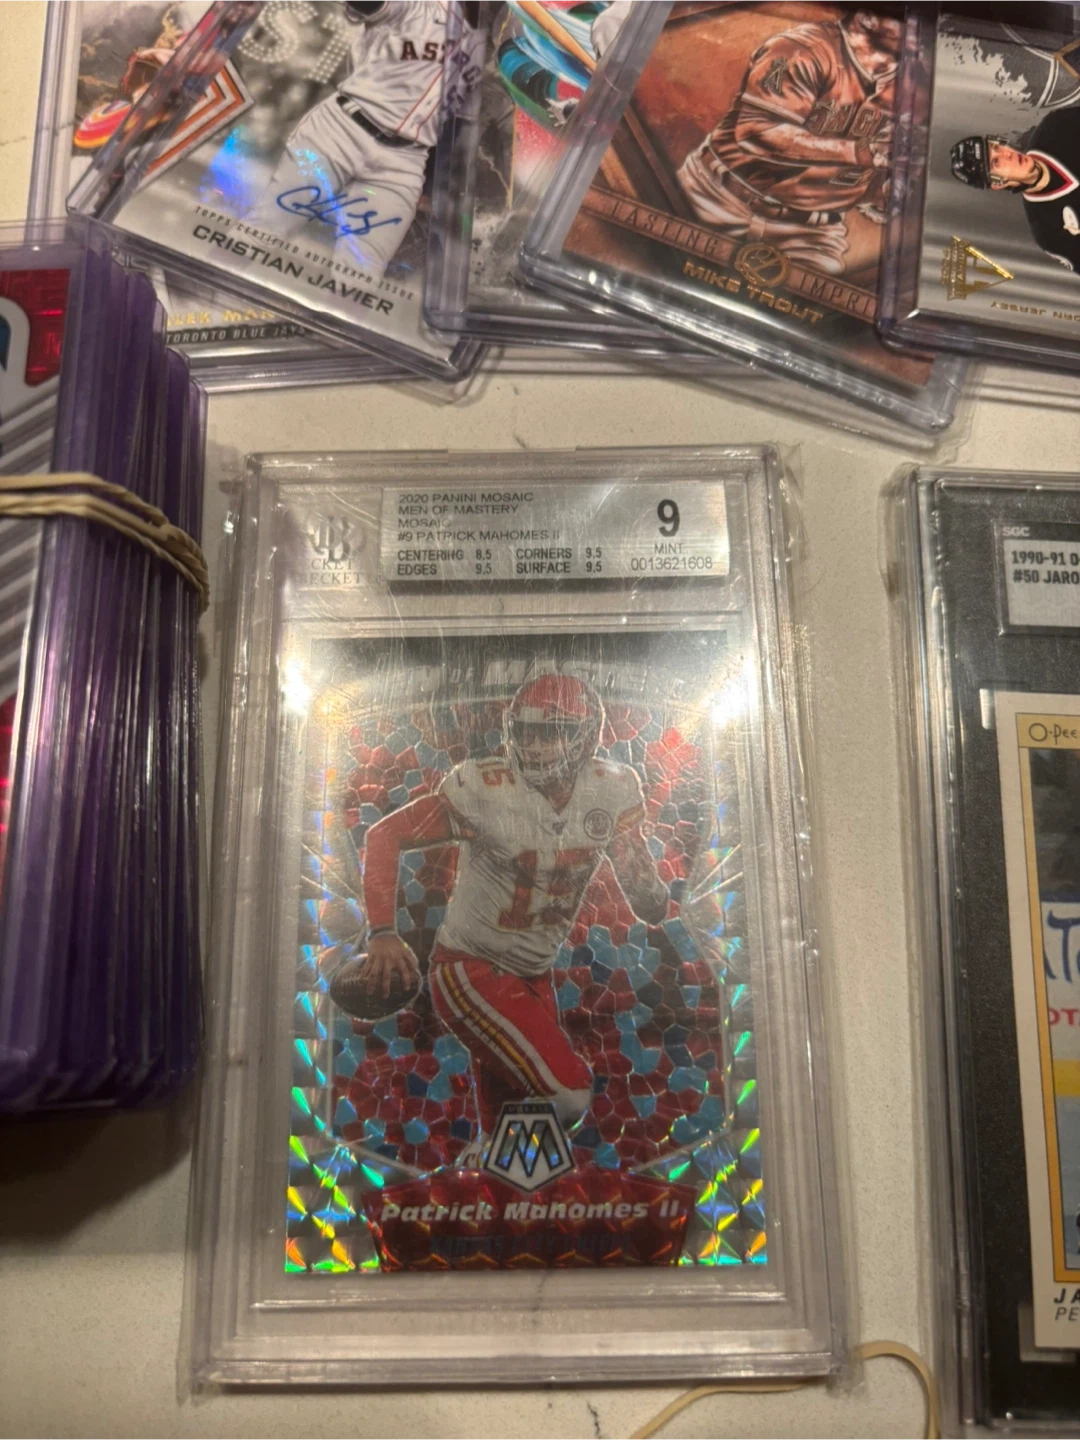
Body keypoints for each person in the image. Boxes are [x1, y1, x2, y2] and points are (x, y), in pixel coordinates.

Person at [356, 673, 670, 1159]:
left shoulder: (610, 788)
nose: (535, 746)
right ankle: (492, 1164)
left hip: (534, 975)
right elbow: (383, 836)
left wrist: (650, 888)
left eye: (551, 732)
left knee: (510, 1128)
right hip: (471, 967)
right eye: (525, 731)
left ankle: (490, 1177)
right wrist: (381, 931)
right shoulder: (488, 788)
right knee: (567, 1094)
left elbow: (645, 896)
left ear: (585, 736)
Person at [245, 0, 464, 278]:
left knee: (360, 279)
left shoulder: (488, 35)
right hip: (342, 130)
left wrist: (433, 183)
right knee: (262, 233)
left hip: (406, 159)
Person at [677, 9, 902, 276]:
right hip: (717, 198)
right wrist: (860, 152)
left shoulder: (914, 84)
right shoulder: (802, 50)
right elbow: (758, 133)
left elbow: (877, 172)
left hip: (810, 231)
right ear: (866, 17)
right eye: (905, 14)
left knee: (815, 296)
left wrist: (884, 191)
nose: (922, 28)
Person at [950, 119, 1080, 273]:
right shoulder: (1048, 231)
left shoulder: (1056, 127)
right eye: (996, 162)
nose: (1007, 154)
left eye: (996, 147)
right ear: (998, 184)